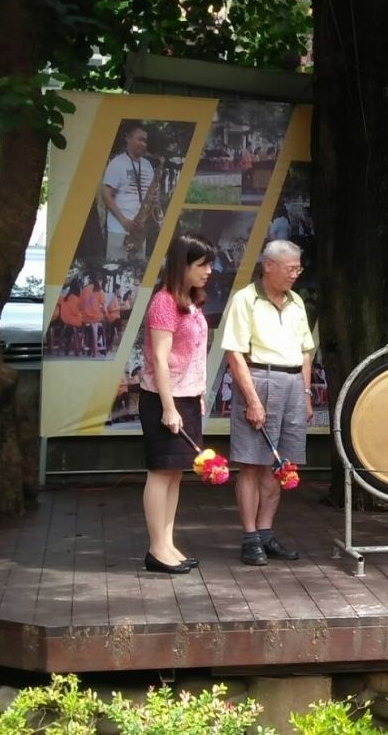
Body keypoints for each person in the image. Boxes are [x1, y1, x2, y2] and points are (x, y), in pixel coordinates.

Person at [222, 240, 315, 566]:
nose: (296, 274)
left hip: (292, 382)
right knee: (251, 463)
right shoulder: (245, 300)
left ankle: (265, 533)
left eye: (298, 268)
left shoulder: (296, 302)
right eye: (291, 269)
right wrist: (252, 400)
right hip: (260, 379)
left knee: (281, 464)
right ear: (269, 266)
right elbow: (234, 353)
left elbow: (306, 350)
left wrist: (305, 394)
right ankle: (249, 537)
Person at [140, 232, 216, 575]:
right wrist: (169, 407)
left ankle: (168, 543)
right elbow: (159, 358)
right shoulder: (164, 301)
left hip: (186, 396)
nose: (209, 271)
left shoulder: (191, 301)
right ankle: (156, 548)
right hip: (162, 398)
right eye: (202, 264)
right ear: (182, 265)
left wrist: (197, 396)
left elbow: (196, 355)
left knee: (175, 474)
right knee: (160, 472)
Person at [102, 124, 156, 260]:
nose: (143, 144)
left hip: (139, 230)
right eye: (139, 139)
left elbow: (150, 195)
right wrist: (124, 221)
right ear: (128, 139)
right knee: (117, 272)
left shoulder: (147, 165)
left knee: (137, 274)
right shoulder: (117, 163)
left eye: (145, 141)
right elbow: (106, 194)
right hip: (119, 229)